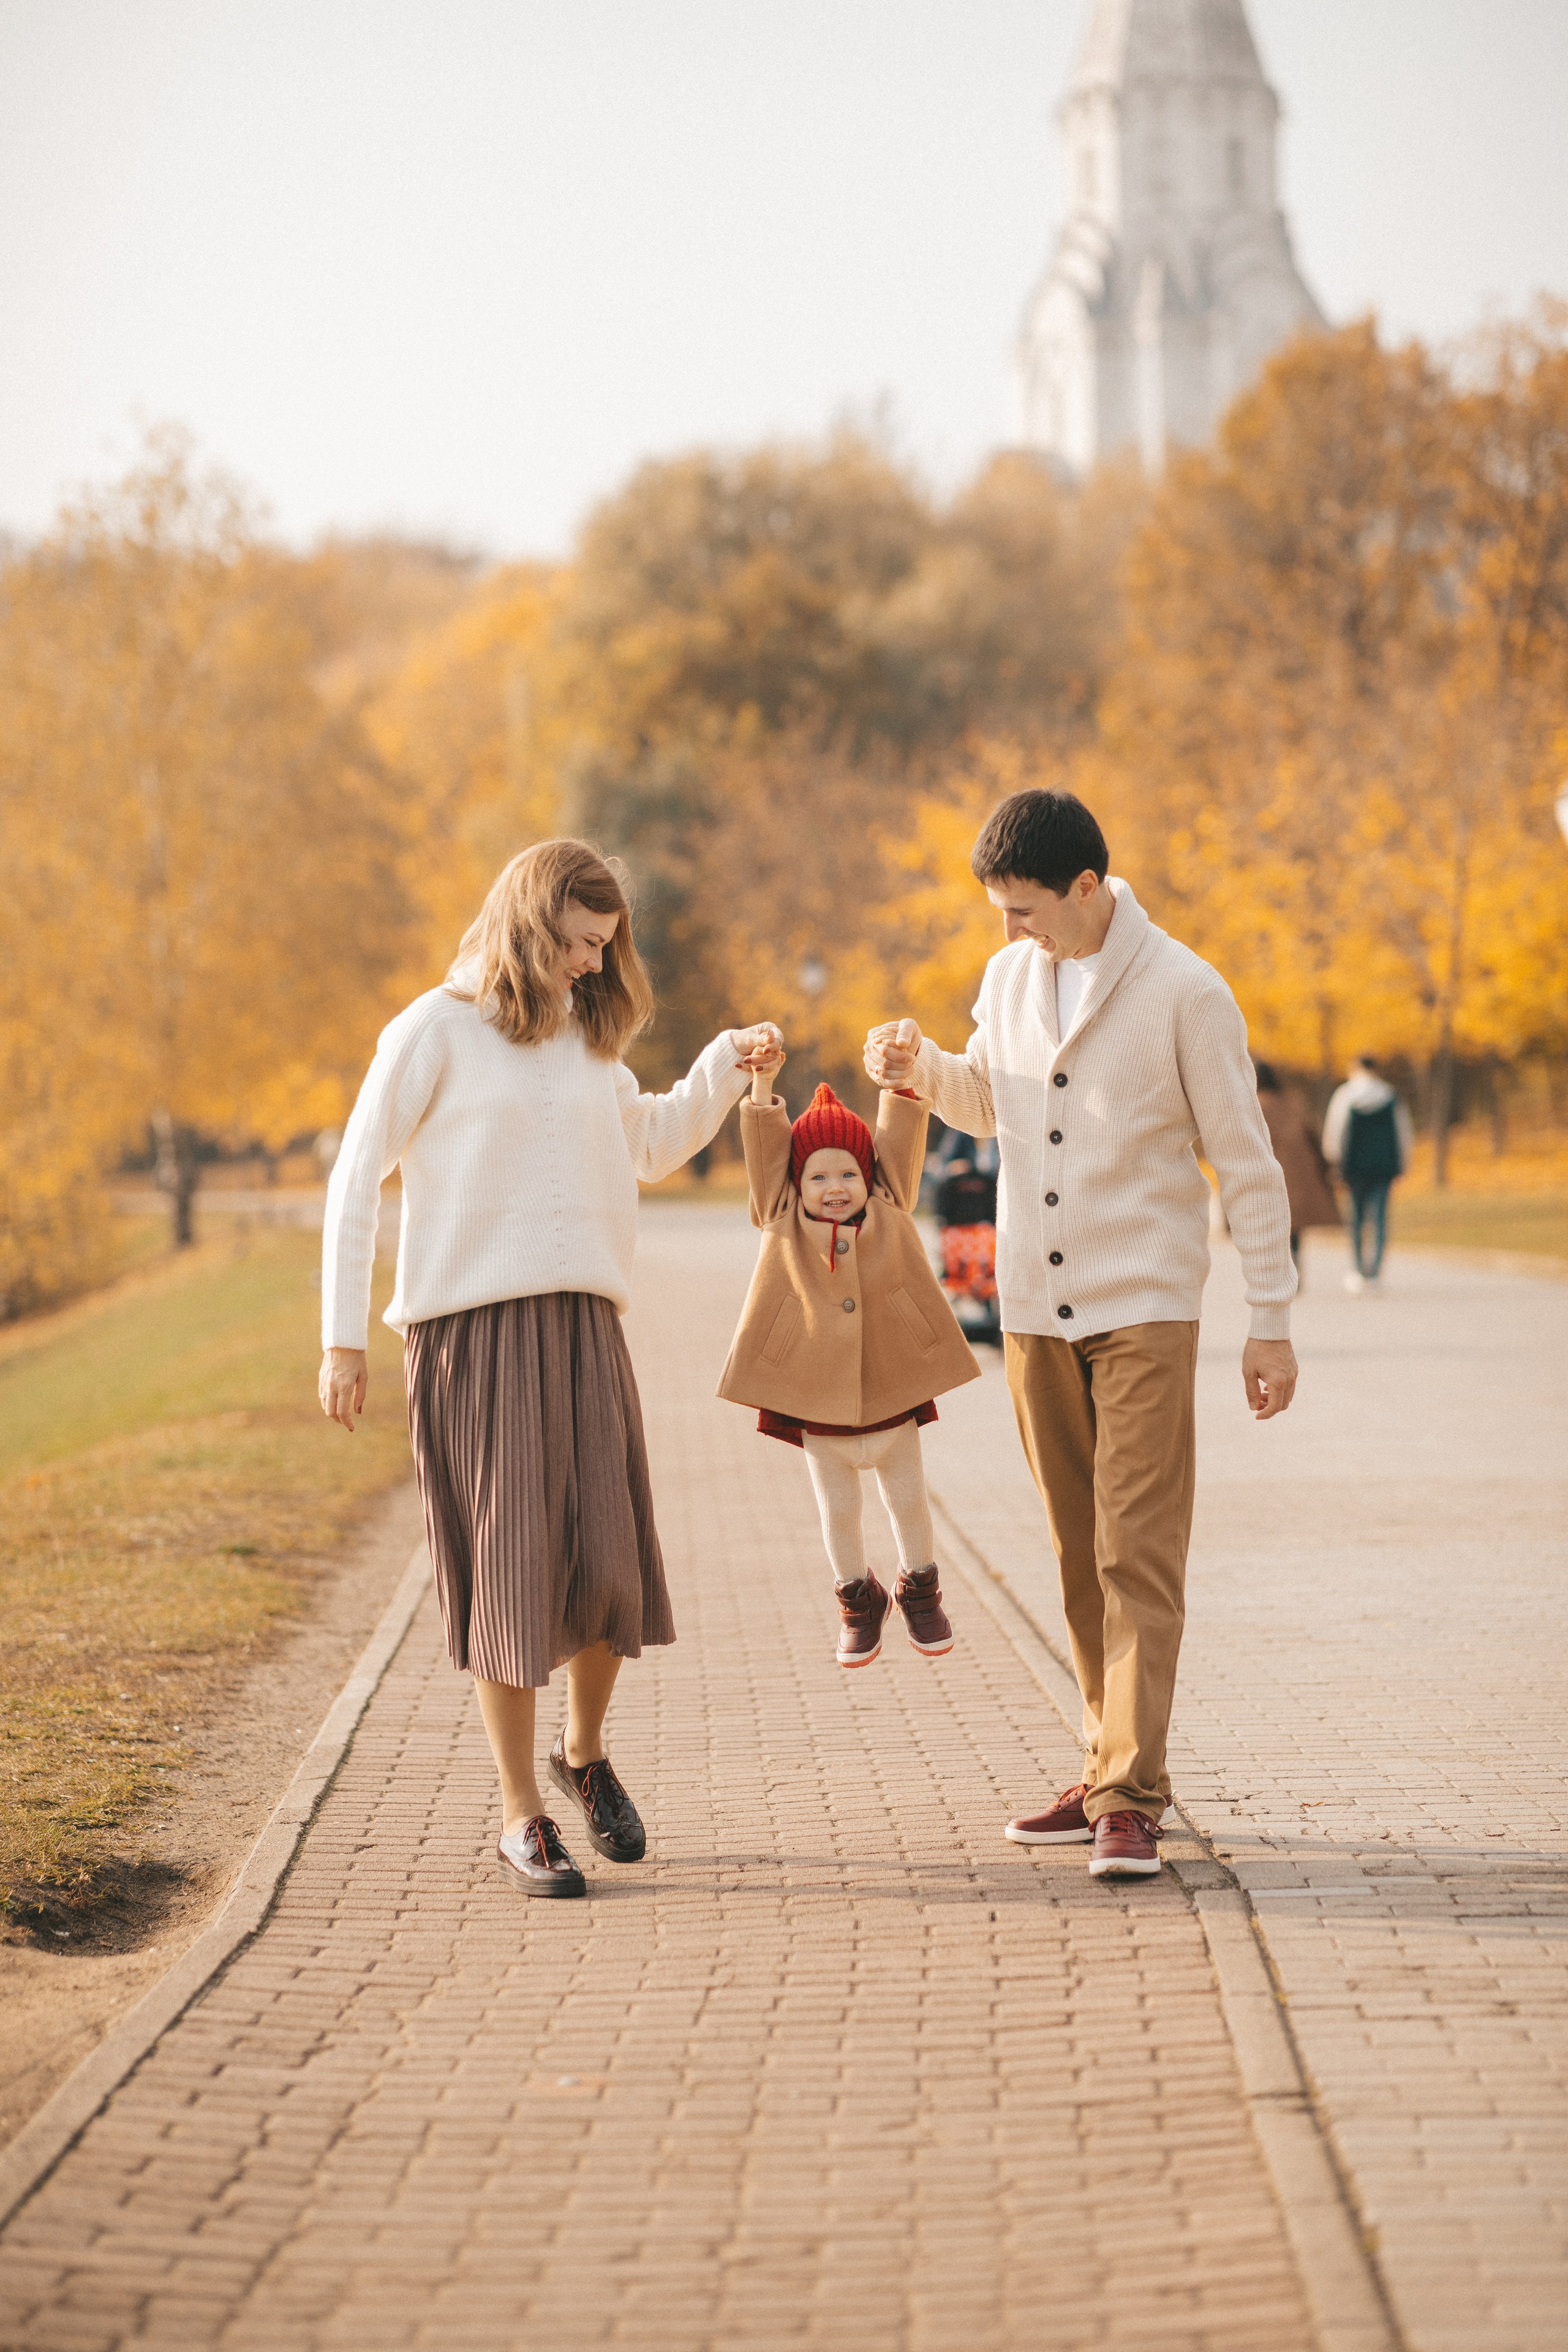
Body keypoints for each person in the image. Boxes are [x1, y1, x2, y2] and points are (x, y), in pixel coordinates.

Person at [318, 838, 781, 1899]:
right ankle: (520, 1814)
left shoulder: (584, 1038)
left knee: (611, 1567)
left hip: (584, 1327)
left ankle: (583, 1754)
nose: (592, 962)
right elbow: (355, 1177)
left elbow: (651, 1145)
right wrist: (343, 1340)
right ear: (531, 925)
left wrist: (727, 1063)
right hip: (474, 1337)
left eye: (605, 946)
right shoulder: (433, 1030)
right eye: (579, 941)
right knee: (515, 1578)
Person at [865, 789, 1297, 1882]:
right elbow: (992, 1104)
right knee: (1075, 1554)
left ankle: (1130, 1799)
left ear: (1088, 888)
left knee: (1134, 1551)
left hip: (1143, 1305)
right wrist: (920, 1069)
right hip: (1030, 1311)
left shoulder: (1186, 991)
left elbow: (1246, 1163)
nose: (1011, 930)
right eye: (1001, 912)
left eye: (1025, 909)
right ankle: (1109, 1764)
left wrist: (1271, 1319)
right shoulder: (1011, 978)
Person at [717, 1052, 980, 1668]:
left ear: (869, 1177)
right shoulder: (779, 1216)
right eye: (817, 1176)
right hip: (817, 1397)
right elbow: (766, 1156)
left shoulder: (890, 1205)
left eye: (848, 1174)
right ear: (795, 1183)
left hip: (891, 1388)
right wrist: (762, 1086)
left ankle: (920, 1589)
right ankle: (858, 1601)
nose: (834, 1187)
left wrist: (901, 1080)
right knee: (838, 1510)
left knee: (908, 1500)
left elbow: (901, 1142)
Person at [1322, 1055, 1413, 1292]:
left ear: (1355, 1069)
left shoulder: (1346, 1094)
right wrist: (1404, 1162)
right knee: (1380, 1217)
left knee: (1357, 1217)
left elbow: (1335, 1131)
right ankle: (1375, 1271)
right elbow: (1403, 1131)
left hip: (1354, 1166)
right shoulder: (1390, 1095)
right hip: (1384, 1165)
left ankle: (1359, 1269)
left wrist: (1333, 1161)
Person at [1252, 1060, 1340, 1280]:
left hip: (1266, 1173)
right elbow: (1312, 1135)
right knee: (1293, 1224)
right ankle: (1294, 1264)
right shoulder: (1293, 1101)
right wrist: (1325, 1165)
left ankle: (1276, 1270)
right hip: (1297, 1171)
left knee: (1269, 1223)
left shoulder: (1254, 1105)